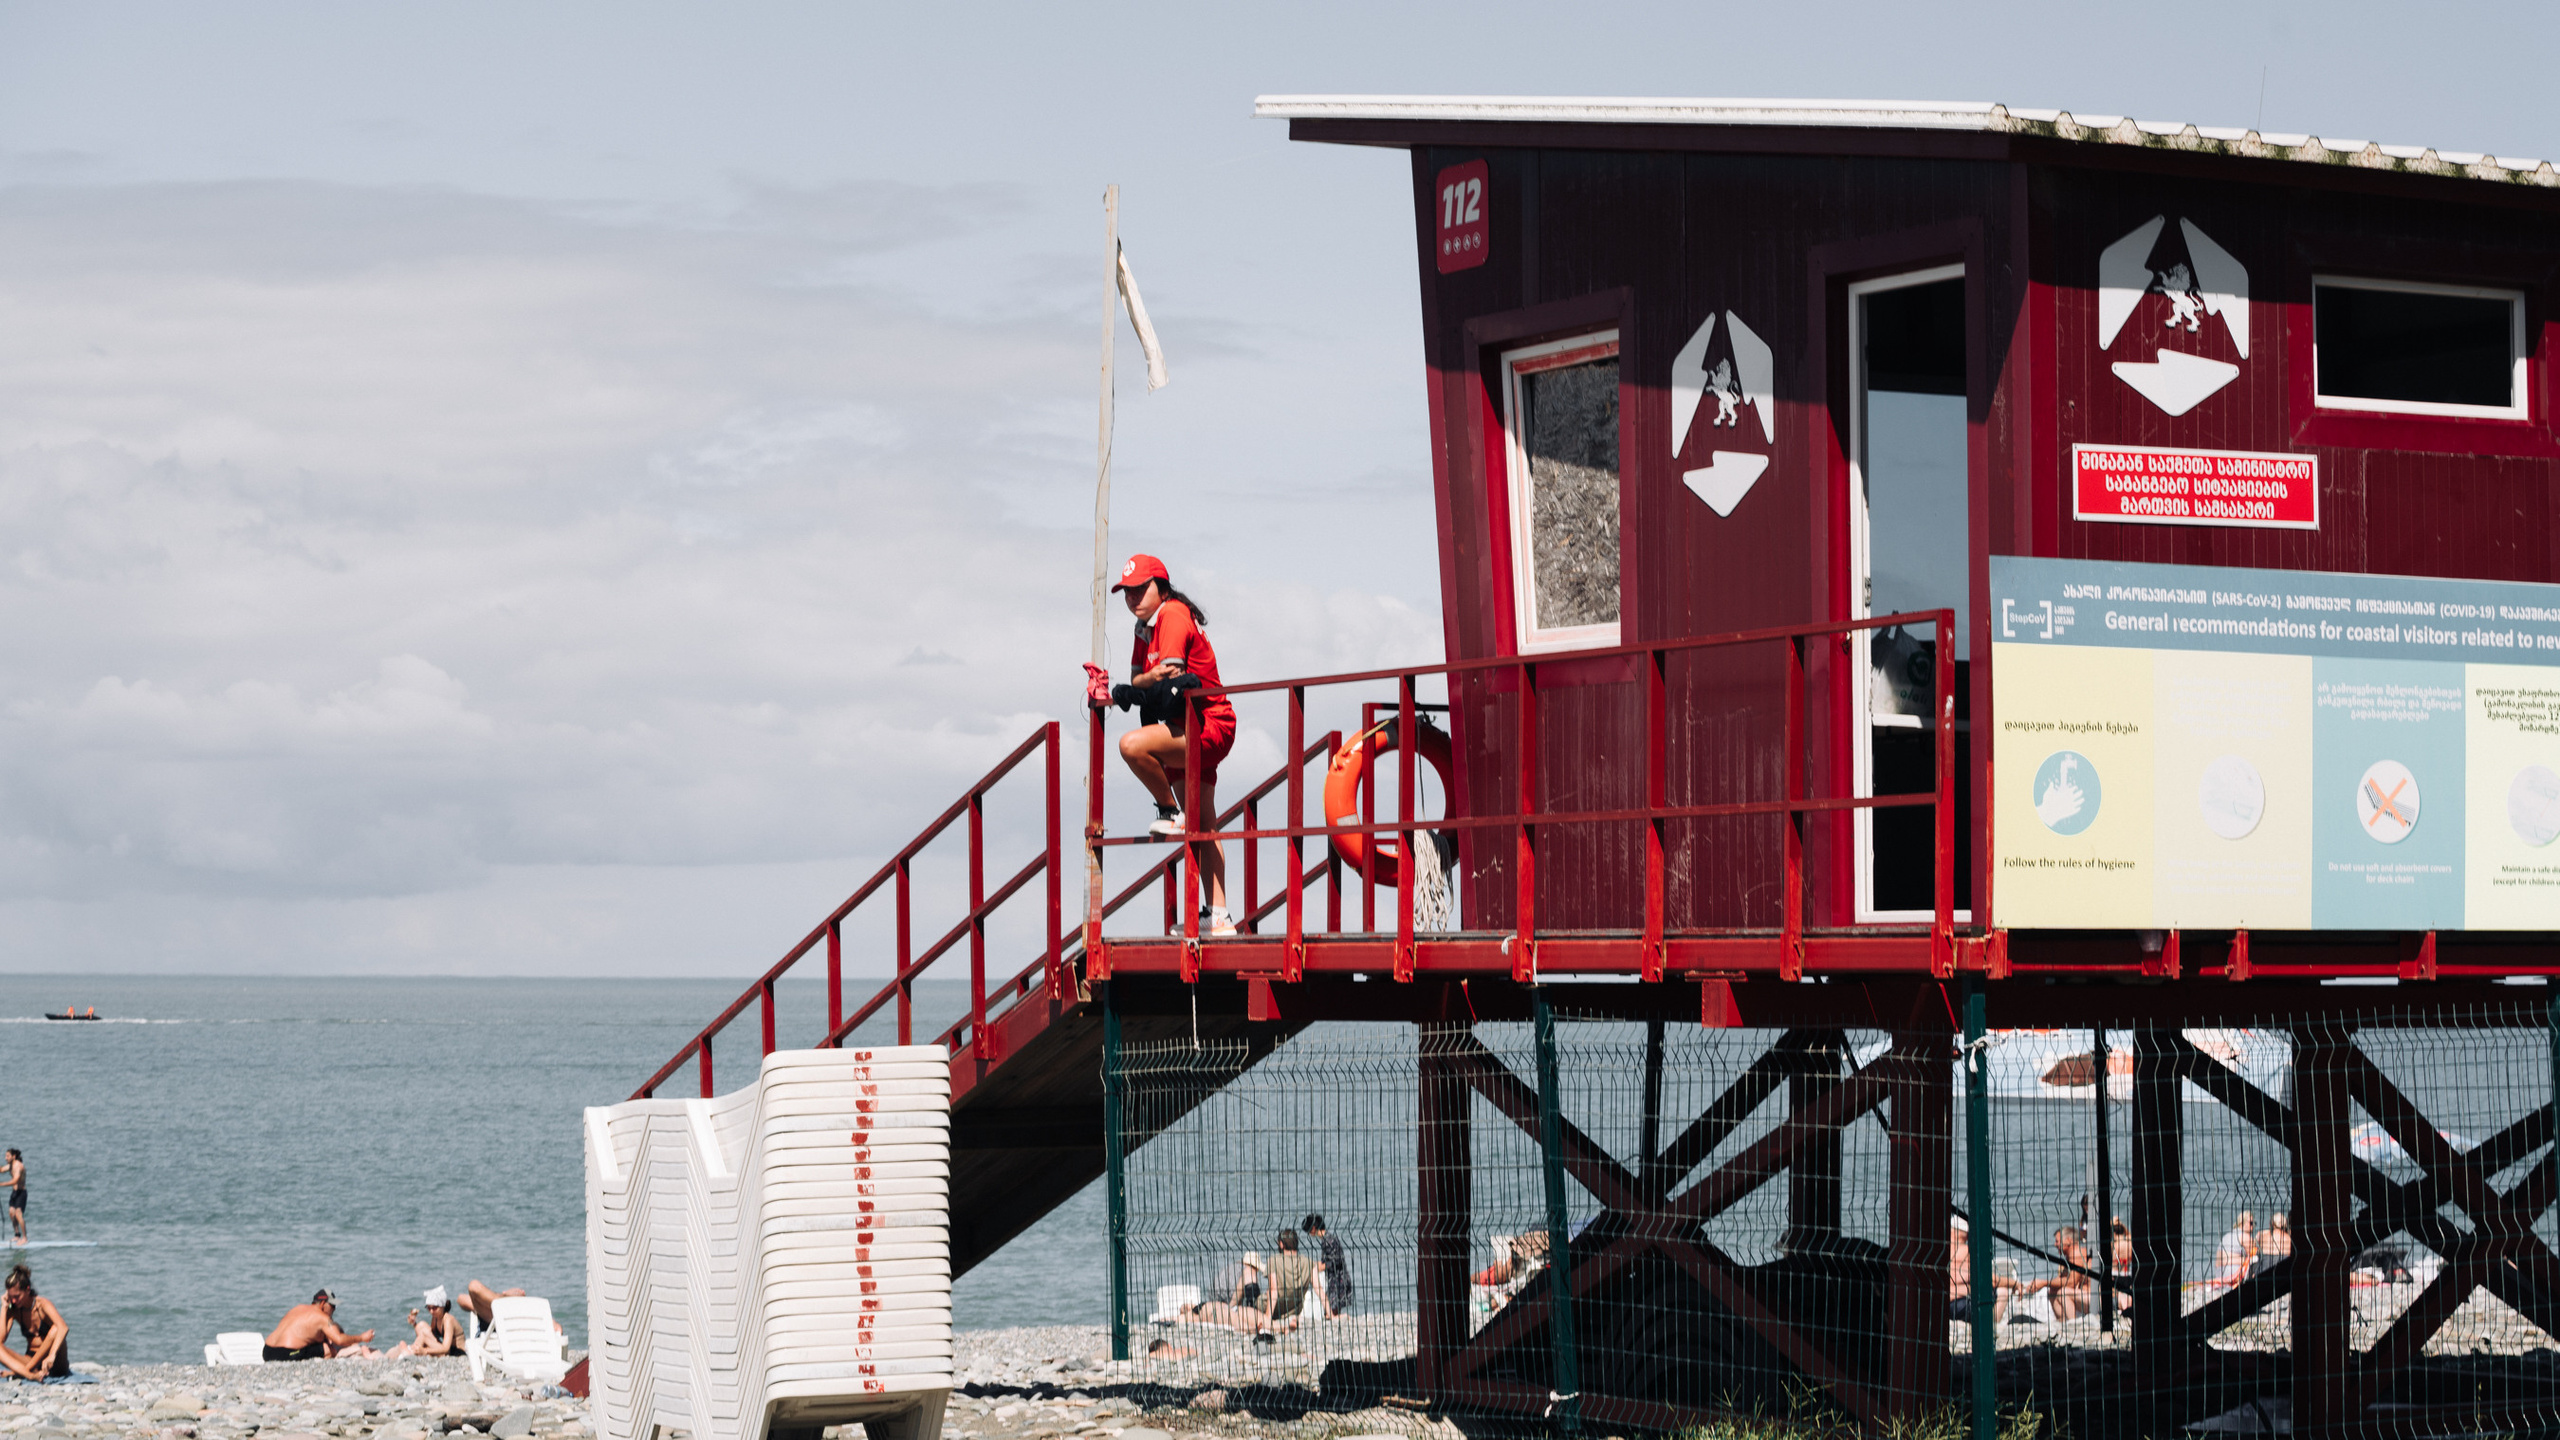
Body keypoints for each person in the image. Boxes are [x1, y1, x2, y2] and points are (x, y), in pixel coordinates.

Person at [1093, 555, 1239, 936]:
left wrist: (1143, 684)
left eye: (1141, 589)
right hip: (1182, 729)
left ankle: (1168, 809)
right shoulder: (1144, 628)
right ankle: (1219, 915)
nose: (1133, 598)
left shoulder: (1172, 614)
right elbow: (1141, 680)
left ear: (1162, 586)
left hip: (1207, 724)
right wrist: (1144, 683)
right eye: (1127, 592)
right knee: (1204, 825)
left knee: (1131, 745)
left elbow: (1164, 681)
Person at [263, 1290, 375, 1361]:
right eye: (332, 1306)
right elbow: (339, 1339)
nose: (334, 1309)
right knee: (328, 1350)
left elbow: (302, 1334)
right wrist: (362, 1337)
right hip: (284, 1354)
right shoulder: (322, 1317)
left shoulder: (297, 1308)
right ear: (322, 1304)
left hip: (267, 1351)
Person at [0, 1265, 65, 1380]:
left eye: (17, 1296)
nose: (14, 1300)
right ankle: (29, 1374)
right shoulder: (14, 1309)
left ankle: (20, 1373)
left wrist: (51, 1355)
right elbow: (1, 1340)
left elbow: (63, 1328)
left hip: (53, 1362)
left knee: (55, 1329)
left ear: (27, 1290)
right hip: (31, 1361)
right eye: (11, 1297)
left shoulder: (42, 1304)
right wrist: (4, 1307)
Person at [1260, 1229, 1316, 1335]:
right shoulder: (1308, 1262)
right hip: (1293, 1309)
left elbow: (1274, 1291)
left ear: (1281, 1244)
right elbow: (1319, 1289)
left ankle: (1276, 1324)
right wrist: (1331, 1315)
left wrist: (1267, 1319)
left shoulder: (1274, 1261)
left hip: (1275, 1308)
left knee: (1249, 1308)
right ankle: (1291, 1319)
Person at [389, 1288, 464, 1358]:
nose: (431, 1311)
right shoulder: (436, 1317)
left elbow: (446, 1348)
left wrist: (425, 1351)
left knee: (423, 1337)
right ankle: (412, 1350)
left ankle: (410, 1352)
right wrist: (414, 1323)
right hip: (447, 1350)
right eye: (428, 1308)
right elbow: (431, 1334)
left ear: (442, 1306)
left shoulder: (448, 1320)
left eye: (434, 1308)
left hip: (456, 1353)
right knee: (420, 1326)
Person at [1302, 1213, 1353, 1318]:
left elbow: (1334, 1261)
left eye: (1308, 1231)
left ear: (1313, 1228)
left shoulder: (1327, 1241)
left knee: (1330, 1313)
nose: (1309, 1234)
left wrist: (1319, 1267)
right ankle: (1338, 1318)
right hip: (1338, 1278)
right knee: (1331, 1310)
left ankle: (1342, 1317)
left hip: (1337, 1279)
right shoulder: (1329, 1238)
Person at [2212, 1210, 2257, 1285]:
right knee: (2256, 1259)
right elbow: (2254, 1254)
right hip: (2234, 1272)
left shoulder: (2227, 1235)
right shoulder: (2245, 1236)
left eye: (2254, 1223)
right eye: (2251, 1223)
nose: (2253, 1227)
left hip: (2219, 1273)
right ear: (2242, 1223)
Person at [3, 1150, 21, 1246]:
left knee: (18, 1214)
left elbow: (15, 1181)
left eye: (7, 1156)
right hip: (14, 1193)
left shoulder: (18, 1166)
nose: (6, 1158)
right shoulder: (10, 1166)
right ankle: (17, 1234)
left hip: (21, 1193)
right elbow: (1, 1170)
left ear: (13, 1156)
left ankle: (24, 1238)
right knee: (11, 1213)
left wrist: (1, 1184)